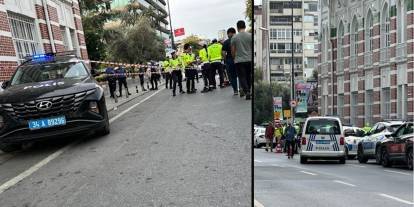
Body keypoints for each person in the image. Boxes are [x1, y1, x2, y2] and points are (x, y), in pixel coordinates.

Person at [231, 20, 252, 100]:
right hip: (249, 59)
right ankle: (249, 90)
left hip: (239, 60)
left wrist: (234, 58)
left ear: (237, 28)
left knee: (242, 77)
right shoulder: (250, 35)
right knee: (248, 76)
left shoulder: (235, 37)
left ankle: (247, 92)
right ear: (245, 26)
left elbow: (233, 50)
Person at [222, 27, 238, 95]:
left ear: (229, 33)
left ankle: (235, 90)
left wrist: (226, 60)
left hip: (230, 60)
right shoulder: (238, 40)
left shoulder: (226, 42)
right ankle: (243, 89)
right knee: (241, 75)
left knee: (232, 76)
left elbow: (223, 53)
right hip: (239, 59)